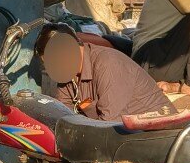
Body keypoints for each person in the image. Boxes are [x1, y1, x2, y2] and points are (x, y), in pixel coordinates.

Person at [35, 23, 175, 121]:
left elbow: (109, 125)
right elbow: (63, 116)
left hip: (155, 138)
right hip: (120, 137)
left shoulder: (108, 63)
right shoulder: (68, 75)